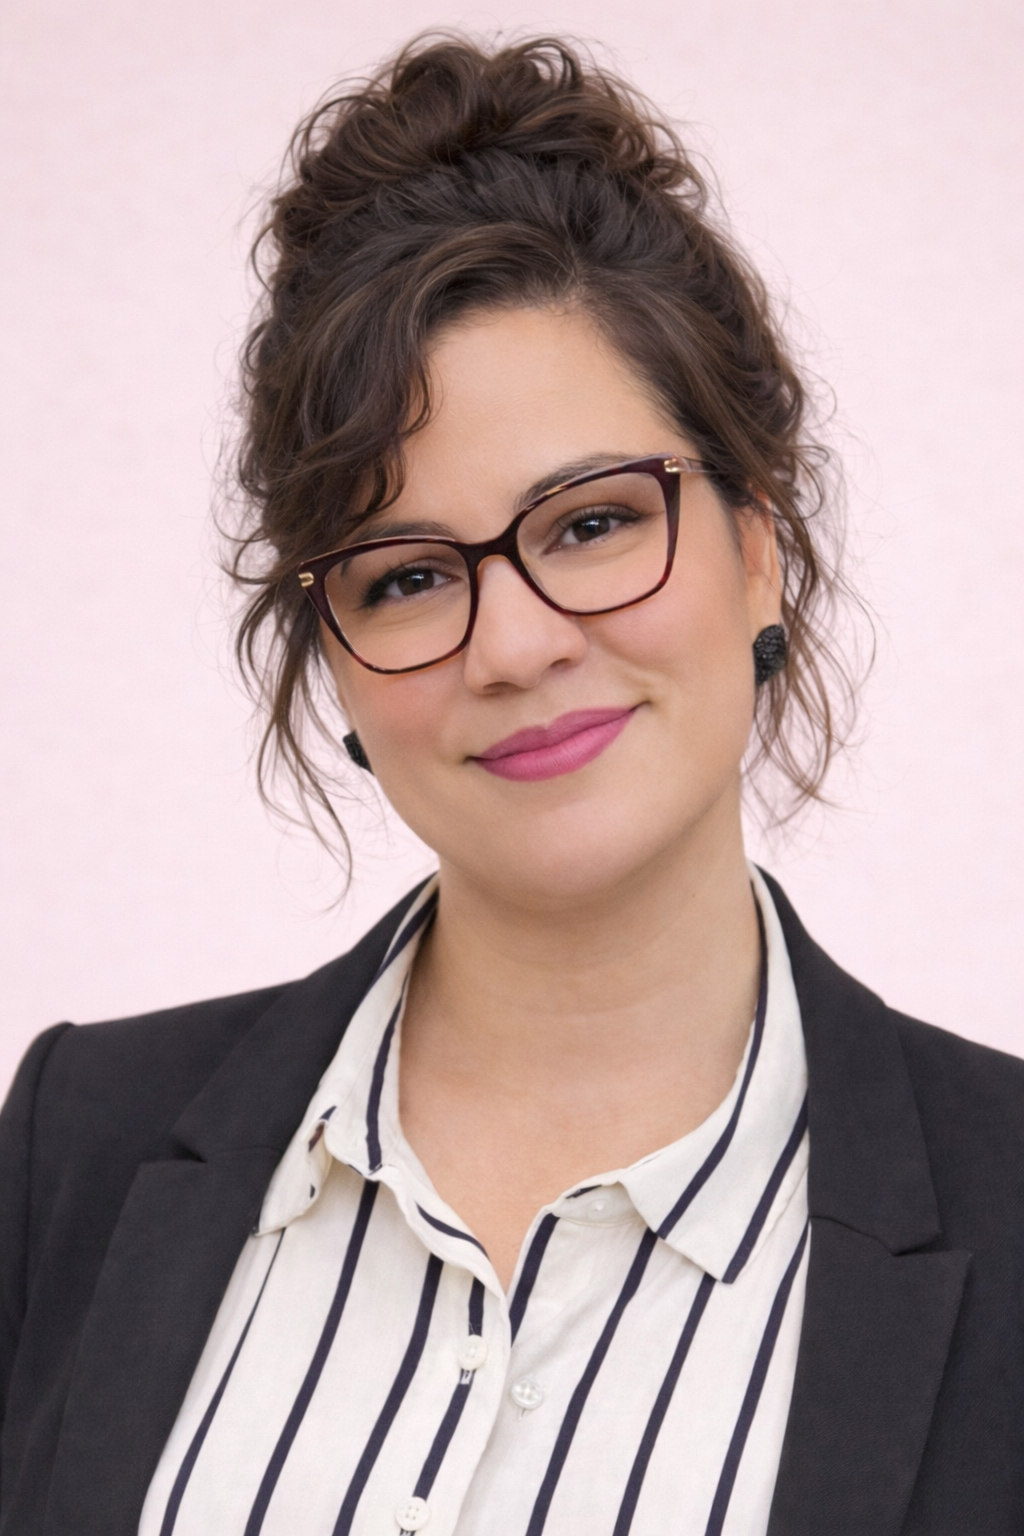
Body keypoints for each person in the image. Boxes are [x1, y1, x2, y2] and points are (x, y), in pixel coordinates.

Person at [1, 34, 1021, 1536]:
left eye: (594, 524)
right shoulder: (76, 1146)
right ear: (336, 656)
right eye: (410, 576)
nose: (516, 645)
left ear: (758, 550)